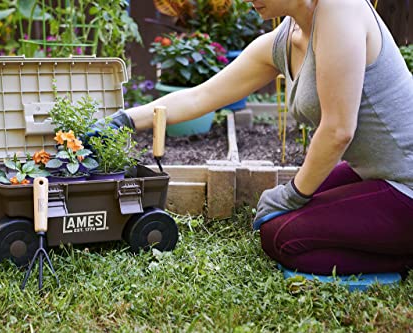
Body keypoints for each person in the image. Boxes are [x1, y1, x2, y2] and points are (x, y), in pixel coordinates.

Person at [93, 0, 413, 275]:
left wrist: (293, 194)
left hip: (406, 185)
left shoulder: (339, 10)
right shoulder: (285, 39)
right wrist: (124, 120)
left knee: (280, 236)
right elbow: (199, 97)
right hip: (376, 172)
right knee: (280, 220)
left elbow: (338, 130)